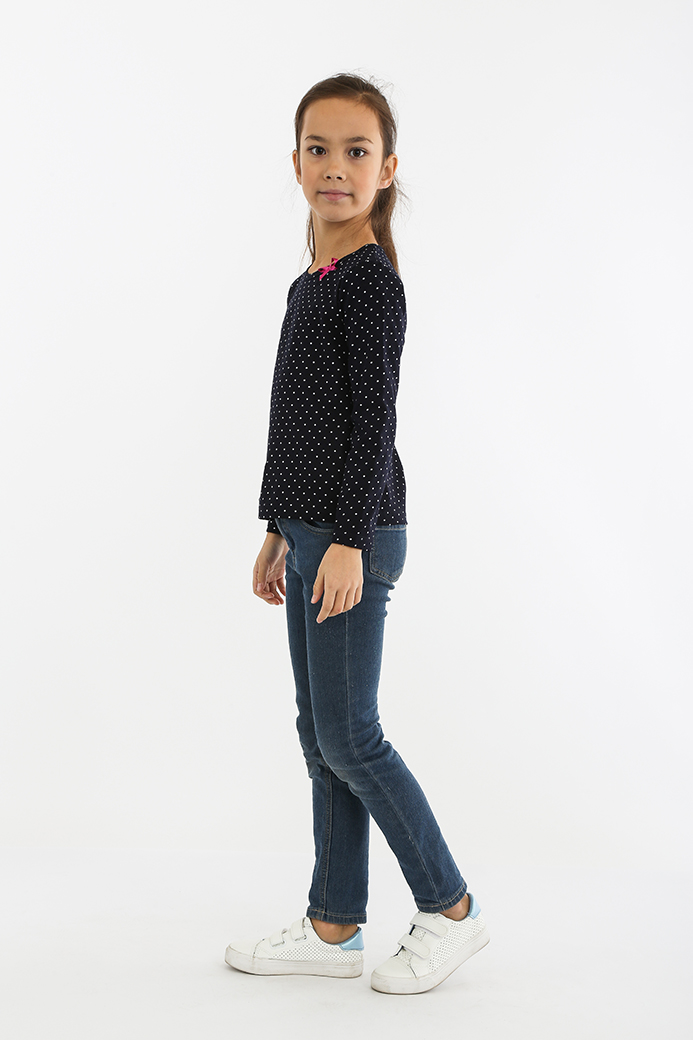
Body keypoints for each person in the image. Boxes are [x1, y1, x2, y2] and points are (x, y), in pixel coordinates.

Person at [224, 72, 490, 995]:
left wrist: (343, 539)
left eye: (356, 151)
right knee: (320, 735)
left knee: (351, 737)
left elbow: (374, 422)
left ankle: (451, 909)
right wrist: (278, 529)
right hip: (310, 530)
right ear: (295, 162)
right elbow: (302, 419)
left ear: (387, 169)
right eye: (318, 149)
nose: (335, 167)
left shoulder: (371, 282)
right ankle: (333, 926)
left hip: (354, 533)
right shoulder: (314, 280)